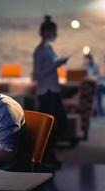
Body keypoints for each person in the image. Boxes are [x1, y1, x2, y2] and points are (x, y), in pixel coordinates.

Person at [33, 15, 69, 170]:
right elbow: (37, 75)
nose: (56, 34)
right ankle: (45, 156)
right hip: (46, 92)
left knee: (61, 124)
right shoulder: (39, 51)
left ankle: (47, 154)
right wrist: (55, 66)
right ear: (46, 32)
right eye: (54, 31)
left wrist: (58, 64)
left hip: (53, 90)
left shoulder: (49, 49)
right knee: (50, 126)